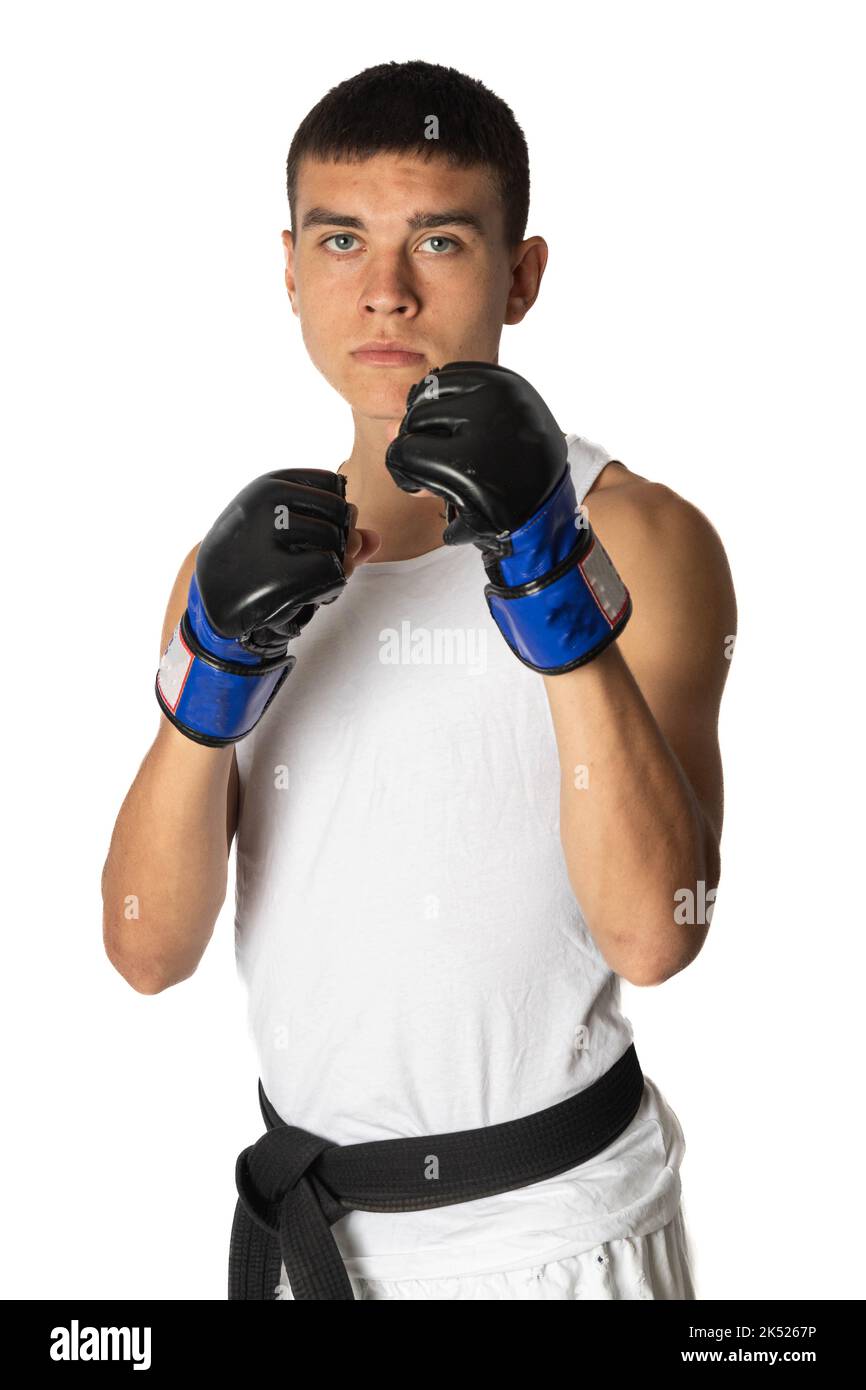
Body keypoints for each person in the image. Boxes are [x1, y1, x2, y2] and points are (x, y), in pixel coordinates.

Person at [102, 59, 736, 1301]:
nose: (382, 291)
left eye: (437, 241)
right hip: (318, 1247)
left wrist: (543, 568)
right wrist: (218, 670)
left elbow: (655, 934)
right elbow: (146, 949)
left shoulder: (643, 538)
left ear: (520, 274)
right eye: (341, 240)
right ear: (289, 269)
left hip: (555, 1241)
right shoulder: (230, 569)